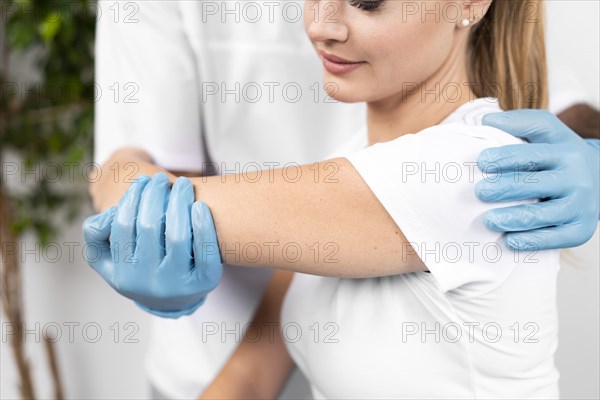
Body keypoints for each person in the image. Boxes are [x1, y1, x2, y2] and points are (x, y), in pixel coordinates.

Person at [88, 1, 599, 398]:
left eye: (368, 1)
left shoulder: (473, 173)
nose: (319, 26)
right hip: (197, 353)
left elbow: (141, 198)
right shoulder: (349, 165)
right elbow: (252, 371)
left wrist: (119, 171)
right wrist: (125, 184)